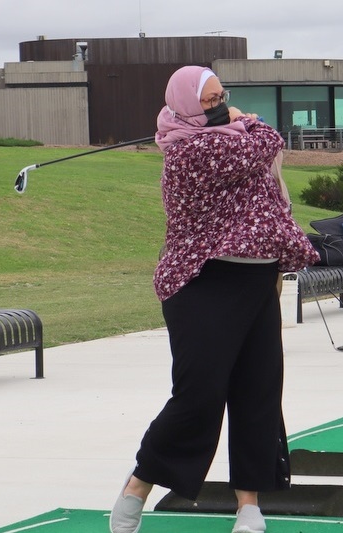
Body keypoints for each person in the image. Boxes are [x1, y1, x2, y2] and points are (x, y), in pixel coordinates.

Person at [109, 65, 320, 533]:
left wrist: (237, 121)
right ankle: (138, 486)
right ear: (185, 104)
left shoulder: (226, 134)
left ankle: (248, 507)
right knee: (199, 397)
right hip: (203, 284)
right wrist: (247, 121)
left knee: (257, 393)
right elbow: (263, 142)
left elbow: (258, 152)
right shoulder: (189, 152)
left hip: (256, 282)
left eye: (221, 96)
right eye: (207, 101)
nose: (218, 105)